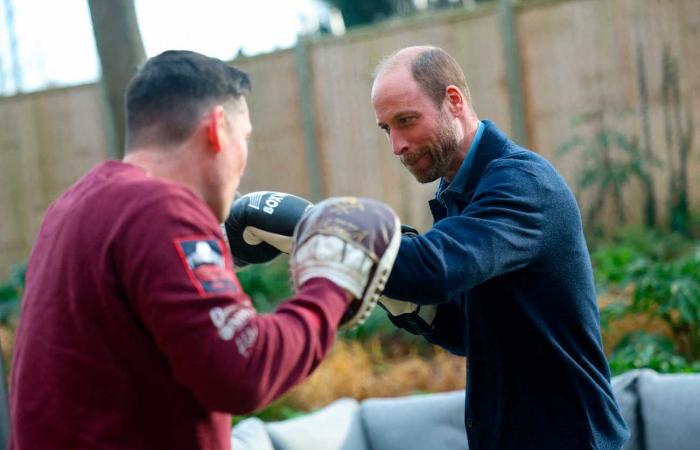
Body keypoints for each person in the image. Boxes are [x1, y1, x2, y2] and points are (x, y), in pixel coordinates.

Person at [9, 50, 400, 450]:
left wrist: (217, 255)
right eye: (243, 137)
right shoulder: (161, 209)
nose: (243, 161)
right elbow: (244, 370)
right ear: (216, 129)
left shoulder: (74, 206)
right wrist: (333, 283)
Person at [370, 46, 630, 449]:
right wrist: (421, 314)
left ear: (453, 101)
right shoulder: (458, 190)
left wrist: (316, 225)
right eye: (387, 129)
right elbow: (475, 333)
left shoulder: (521, 183)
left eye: (406, 120)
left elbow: (431, 271)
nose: (397, 145)